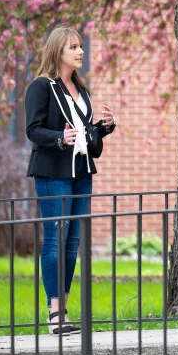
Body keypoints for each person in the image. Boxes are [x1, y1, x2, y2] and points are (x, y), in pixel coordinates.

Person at [25, 26, 117, 335]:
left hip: (81, 173)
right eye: (73, 47)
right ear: (57, 52)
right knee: (55, 239)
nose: (80, 52)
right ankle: (54, 313)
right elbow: (33, 130)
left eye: (80, 46)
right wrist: (59, 137)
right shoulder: (41, 86)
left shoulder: (82, 89)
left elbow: (84, 133)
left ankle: (63, 308)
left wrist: (102, 127)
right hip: (53, 173)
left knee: (73, 241)